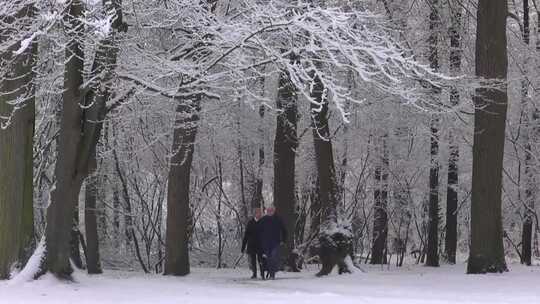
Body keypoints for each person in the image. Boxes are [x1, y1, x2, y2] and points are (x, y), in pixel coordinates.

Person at [258, 206, 287, 280]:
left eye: (271, 210)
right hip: (265, 243)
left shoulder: (278, 219)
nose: (270, 212)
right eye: (268, 211)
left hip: (275, 242)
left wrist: (283, 240)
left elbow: (284, 230)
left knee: (274, 258)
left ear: (274, 211)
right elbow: (259, 231)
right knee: (268, 259)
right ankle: (269, 272)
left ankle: (272, 274)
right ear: (266, 212)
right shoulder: (263, 220)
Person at [241, 207, 264, 279]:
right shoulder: (250, 223)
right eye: (258, 213)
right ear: (254, 214)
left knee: (261, 260)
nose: (259, 214)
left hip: (261, 245)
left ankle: (262, 274)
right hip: (252, 245)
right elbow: (246, 235)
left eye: (260, 213)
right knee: (253, 261)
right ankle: (254, 274)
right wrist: (243, 246)